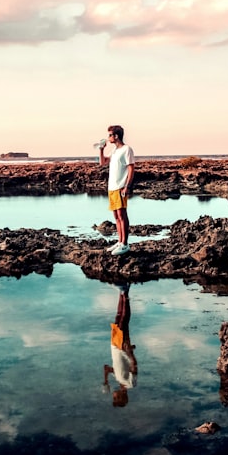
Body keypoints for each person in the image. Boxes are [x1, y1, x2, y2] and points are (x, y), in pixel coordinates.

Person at [99, 124, 135, 256]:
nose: (108, 138)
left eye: (110, 135)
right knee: (116, 216)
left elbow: (131, 168)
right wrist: (101, 150)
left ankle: (125, 244)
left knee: (122, 215)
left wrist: (127, 185)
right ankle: (120, 242)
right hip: (112, 187)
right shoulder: (114, 150)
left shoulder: (127, 149)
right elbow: (103, 163)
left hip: (120, 186)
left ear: (116, 136)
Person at [103, 283, 137, 407]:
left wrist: (106, 378)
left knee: (118, 318)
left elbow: (108, 367)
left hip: (114, 345)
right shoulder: (130, 384)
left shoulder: (118, 379)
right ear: (122, 396)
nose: (113, 393)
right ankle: (125, 293)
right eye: (115, 396)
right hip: (122, 347)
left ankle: (121, 292)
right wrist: (129, 352)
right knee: (124, 321)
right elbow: (134, 367)